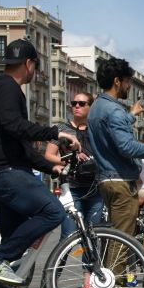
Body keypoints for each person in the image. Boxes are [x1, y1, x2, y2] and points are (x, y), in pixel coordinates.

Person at [0, 38, 80, 288]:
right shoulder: (8, 88)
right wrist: (55, 131)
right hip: (6, 174)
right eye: (36, 66)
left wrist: (53, 166)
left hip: (4, 172)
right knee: (53, 212)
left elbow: (21, 148)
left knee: (13, 252)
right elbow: (14, 126)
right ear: (30, 63)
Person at [87, 57, 144, 288]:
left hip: (106, 179)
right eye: (127, 81)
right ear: (117, 81)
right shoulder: (112, 109)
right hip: (120, 180)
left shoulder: (97, 108)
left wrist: (131, 116)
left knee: (114, 236)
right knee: (121, 239)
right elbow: (125, 145)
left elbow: (115, 130)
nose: (128, 86)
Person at [44, 92, 103, 239]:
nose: (76, 106)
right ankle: (59, 262)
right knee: (68, 235)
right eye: (74, 103)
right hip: (71, 189)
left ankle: (89, 263)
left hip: (96, 189)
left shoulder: (97, 129)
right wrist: (70, 159)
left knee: (93, 235)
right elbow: (48, 155)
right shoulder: (62, 129)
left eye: (82, 104)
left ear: (91, 107)